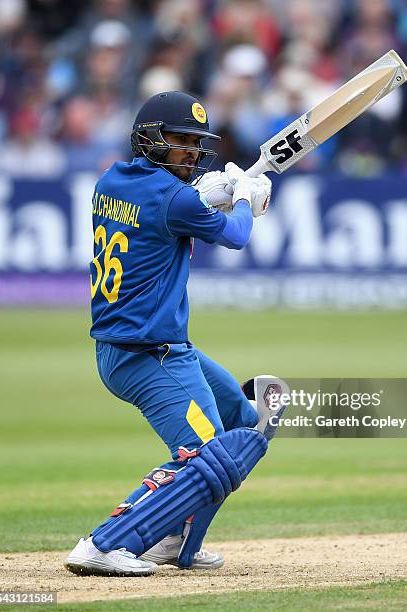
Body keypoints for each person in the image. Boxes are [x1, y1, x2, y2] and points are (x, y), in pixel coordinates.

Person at [64, 91, 281, 576]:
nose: (188, 150)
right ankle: (104, 543)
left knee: (244, 421)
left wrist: (208, 194)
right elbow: (236, 234)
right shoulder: (173, 197)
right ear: (148, 139)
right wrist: (243, 197)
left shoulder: (110, 180)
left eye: (194, 142)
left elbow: (169, 207)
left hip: (142, 348)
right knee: (211, 455)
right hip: (148, 354)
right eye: (178, 140)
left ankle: (174, 536)